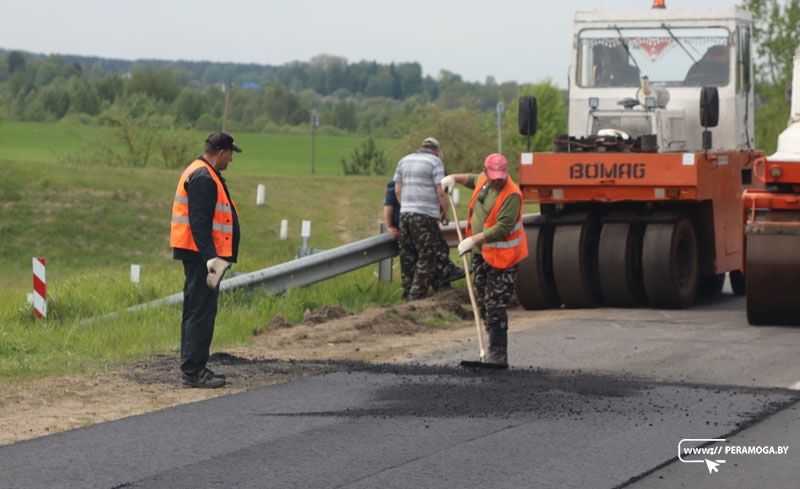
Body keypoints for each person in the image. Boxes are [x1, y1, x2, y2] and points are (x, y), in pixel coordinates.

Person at [441, 154, 528, 367]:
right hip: (483, 254)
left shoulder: (512, 195)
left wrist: (473, 239)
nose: (497, 180)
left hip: (504, 257)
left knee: (495, 304)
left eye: (501, 176)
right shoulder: (483, 179)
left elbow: (503, 228)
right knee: (481, 302)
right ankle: (490, 348)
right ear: (486, 171)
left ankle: (498, 355)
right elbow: (472, 178)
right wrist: (453, 178)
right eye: (493, 176)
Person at [170, 131, 242, 388]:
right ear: (221, 152)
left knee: (196, 309)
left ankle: (194, 366)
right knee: (202, 310)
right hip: (203, 257)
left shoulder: (203, 172)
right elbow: (199, 223)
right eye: (231, 154)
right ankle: (193, 372)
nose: (231, 159)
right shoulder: (203, 177)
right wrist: (211, 258)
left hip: (199, 254)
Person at [393, 137, 449, 299]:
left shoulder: (404, 160)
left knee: (407, 254)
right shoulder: (435, 162)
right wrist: (443, 212)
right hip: (425, 215)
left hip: (405, 214)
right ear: (437, 151)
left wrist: (406, 206)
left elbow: (397, 190)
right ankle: (416, 296)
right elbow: (440, 191)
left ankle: (407, 293)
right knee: (427, 255)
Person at [384, 180, 464, 290]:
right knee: (432, 253)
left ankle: (416, 290)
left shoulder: (399, 182)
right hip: (418, 223)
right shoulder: (421, 182)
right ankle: (438, 283)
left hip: (406, 224)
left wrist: (389, 225)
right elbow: (441, 197)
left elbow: (389, 205)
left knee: (414, 258)